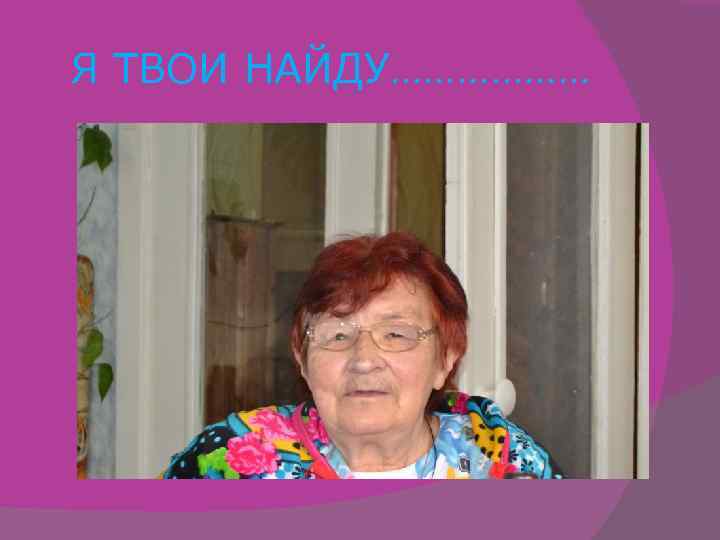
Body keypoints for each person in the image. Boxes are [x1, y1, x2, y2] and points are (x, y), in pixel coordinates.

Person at [162, 232, 562, 479]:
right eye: (338, 334)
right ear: (301, 356)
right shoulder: (227, 459)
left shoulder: (505, 460)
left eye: (396, 334)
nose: (364, 359)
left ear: (446, 359)